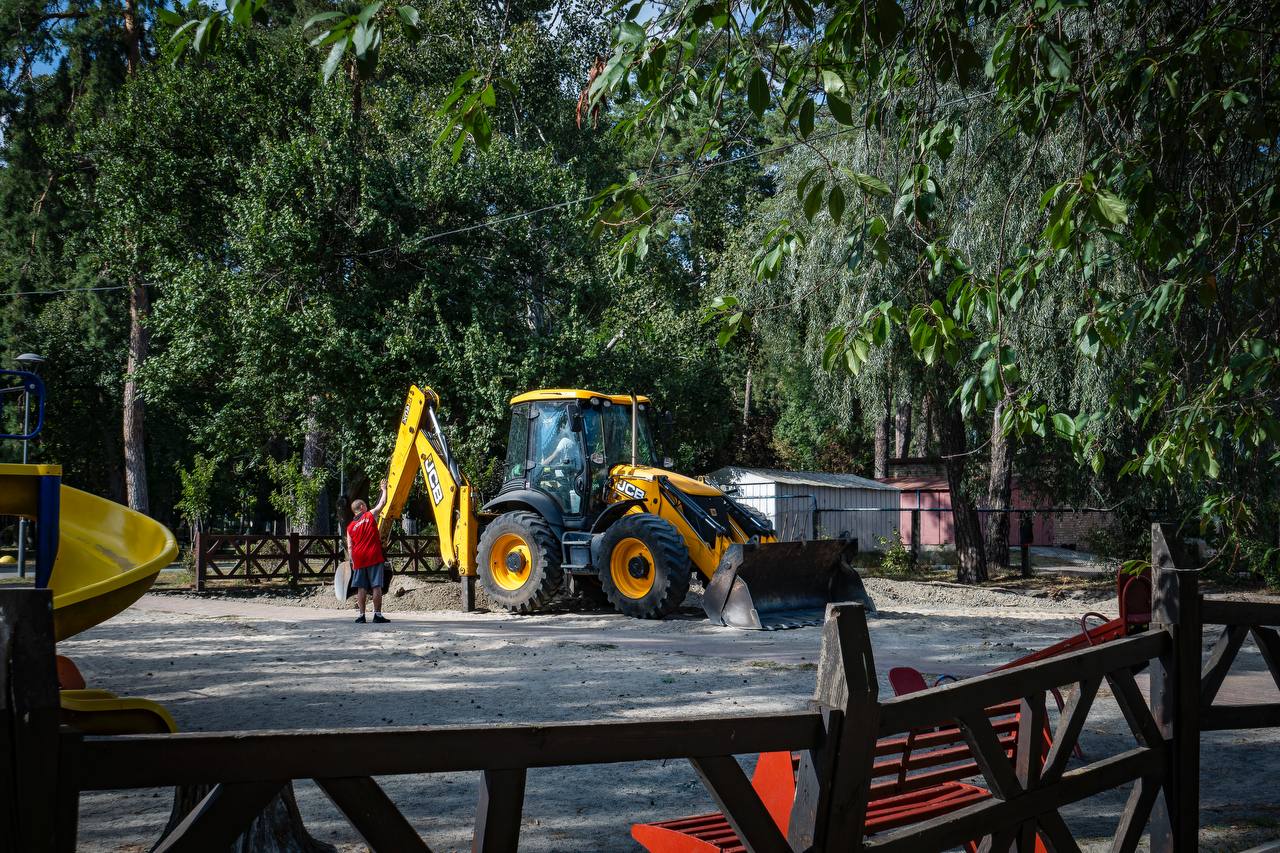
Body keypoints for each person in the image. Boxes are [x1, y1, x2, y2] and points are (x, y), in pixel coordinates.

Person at [346, 479, 390, 624]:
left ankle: (361, 616)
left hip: (359, 558)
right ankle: (377, 615)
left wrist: (352, 561)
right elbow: (382, 503)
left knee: (361, 587)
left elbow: (350, 546)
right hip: (373, 556)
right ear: (363, 506)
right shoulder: (369, 515)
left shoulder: (350, 527)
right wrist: (384, 489)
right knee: (376, 586)